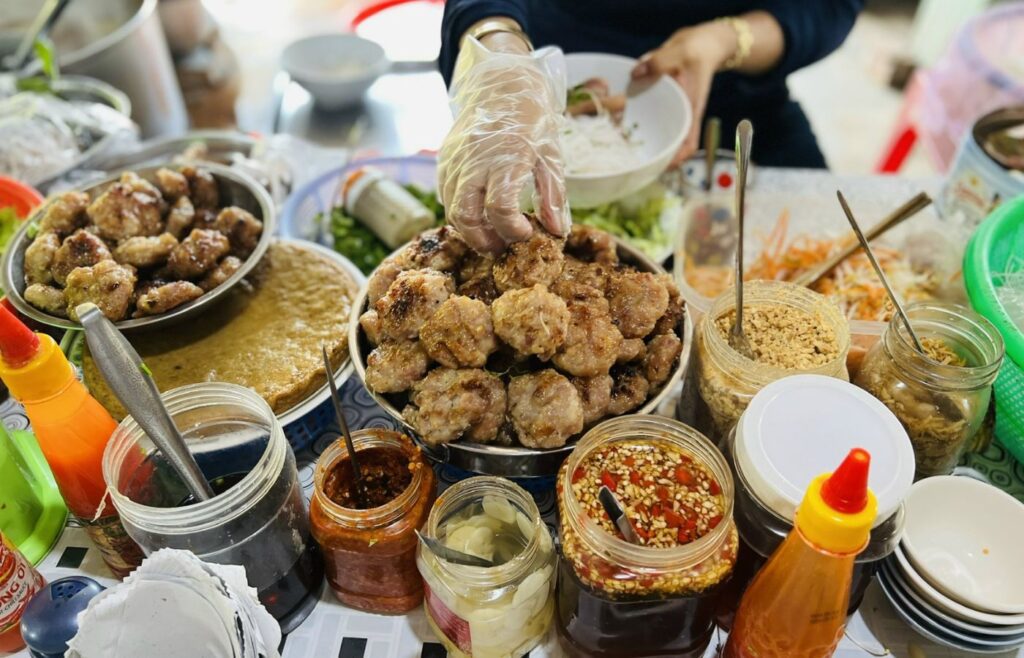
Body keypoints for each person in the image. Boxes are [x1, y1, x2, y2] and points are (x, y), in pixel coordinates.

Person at [436, 1, 864, 254]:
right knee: (479, 225)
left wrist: (726, 40)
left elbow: (829, 6)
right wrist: (500, 52)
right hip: (534, 87)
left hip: (742, 104)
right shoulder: (515, 75)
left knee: (828, 249)